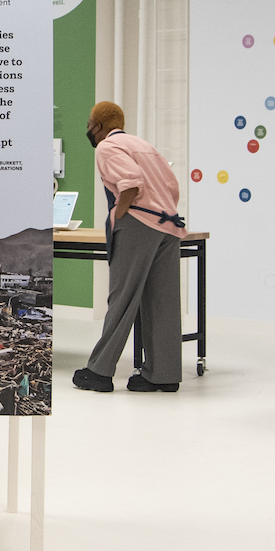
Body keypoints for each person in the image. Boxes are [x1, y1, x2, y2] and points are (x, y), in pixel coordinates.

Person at [72, 101, 187, 393]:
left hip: (138, 223)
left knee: (122, 297)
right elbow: (173, 186)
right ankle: (163, 374)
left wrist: (120, 213)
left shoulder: (107, 147)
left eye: (89, 124)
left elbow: (131, 184)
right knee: (163, 301)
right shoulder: (143, 145)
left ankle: (99, 371)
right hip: (169, 226)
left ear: (99, 126)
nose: (88, 130)